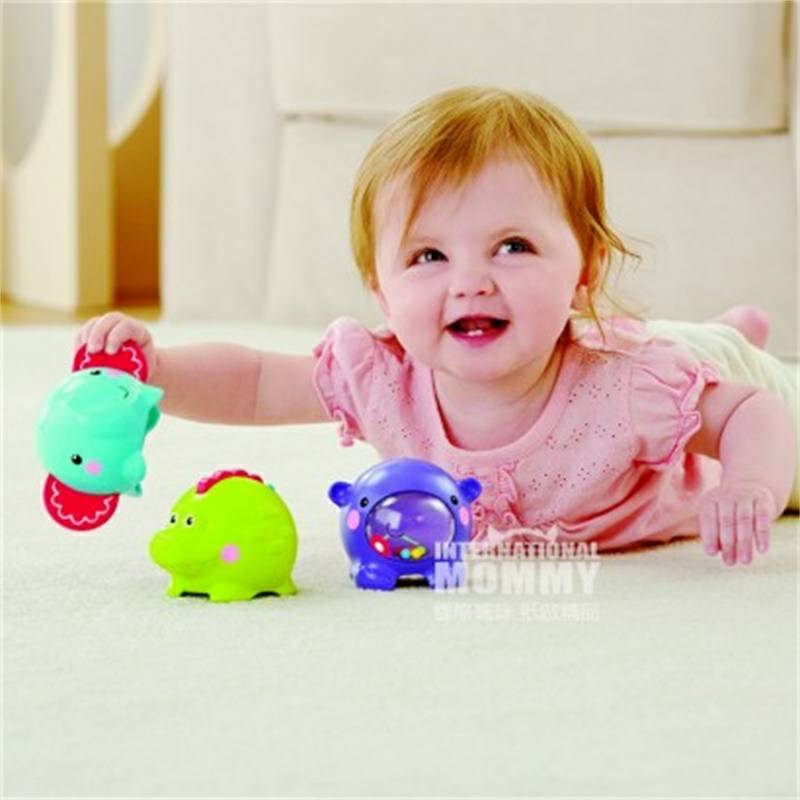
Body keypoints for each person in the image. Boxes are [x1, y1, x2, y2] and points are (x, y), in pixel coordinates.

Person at [76, 86, 797, 567]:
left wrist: (752, 487)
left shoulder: (632, 388)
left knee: (748, 392)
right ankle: (729, 330)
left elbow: (754, 413)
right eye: (429, 256)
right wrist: (154, 374)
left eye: (513, 246)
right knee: (701, 347)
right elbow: (257, 384)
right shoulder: (381, 376)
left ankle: (734, 337)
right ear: (380, 289)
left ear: (585, 269)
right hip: (654, 352)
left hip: (690, 368)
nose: (470, 281)